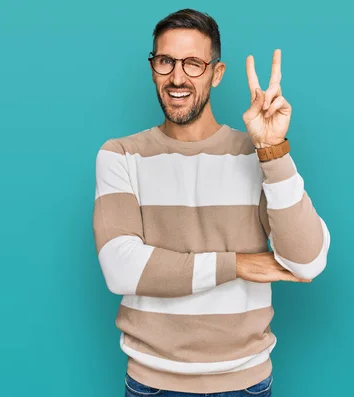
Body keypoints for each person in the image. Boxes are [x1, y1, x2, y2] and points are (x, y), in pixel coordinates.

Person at [92, 8, 331, 397]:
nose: (177, 77)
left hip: (247, 383)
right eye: (166, 61)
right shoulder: (120, 155)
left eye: (193, 64)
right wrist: (236, 264)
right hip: (152, 383)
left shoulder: (257, 155)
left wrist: (272, 151)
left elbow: (307, 262)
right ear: (153, 67)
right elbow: (121, 269)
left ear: (217, 73)